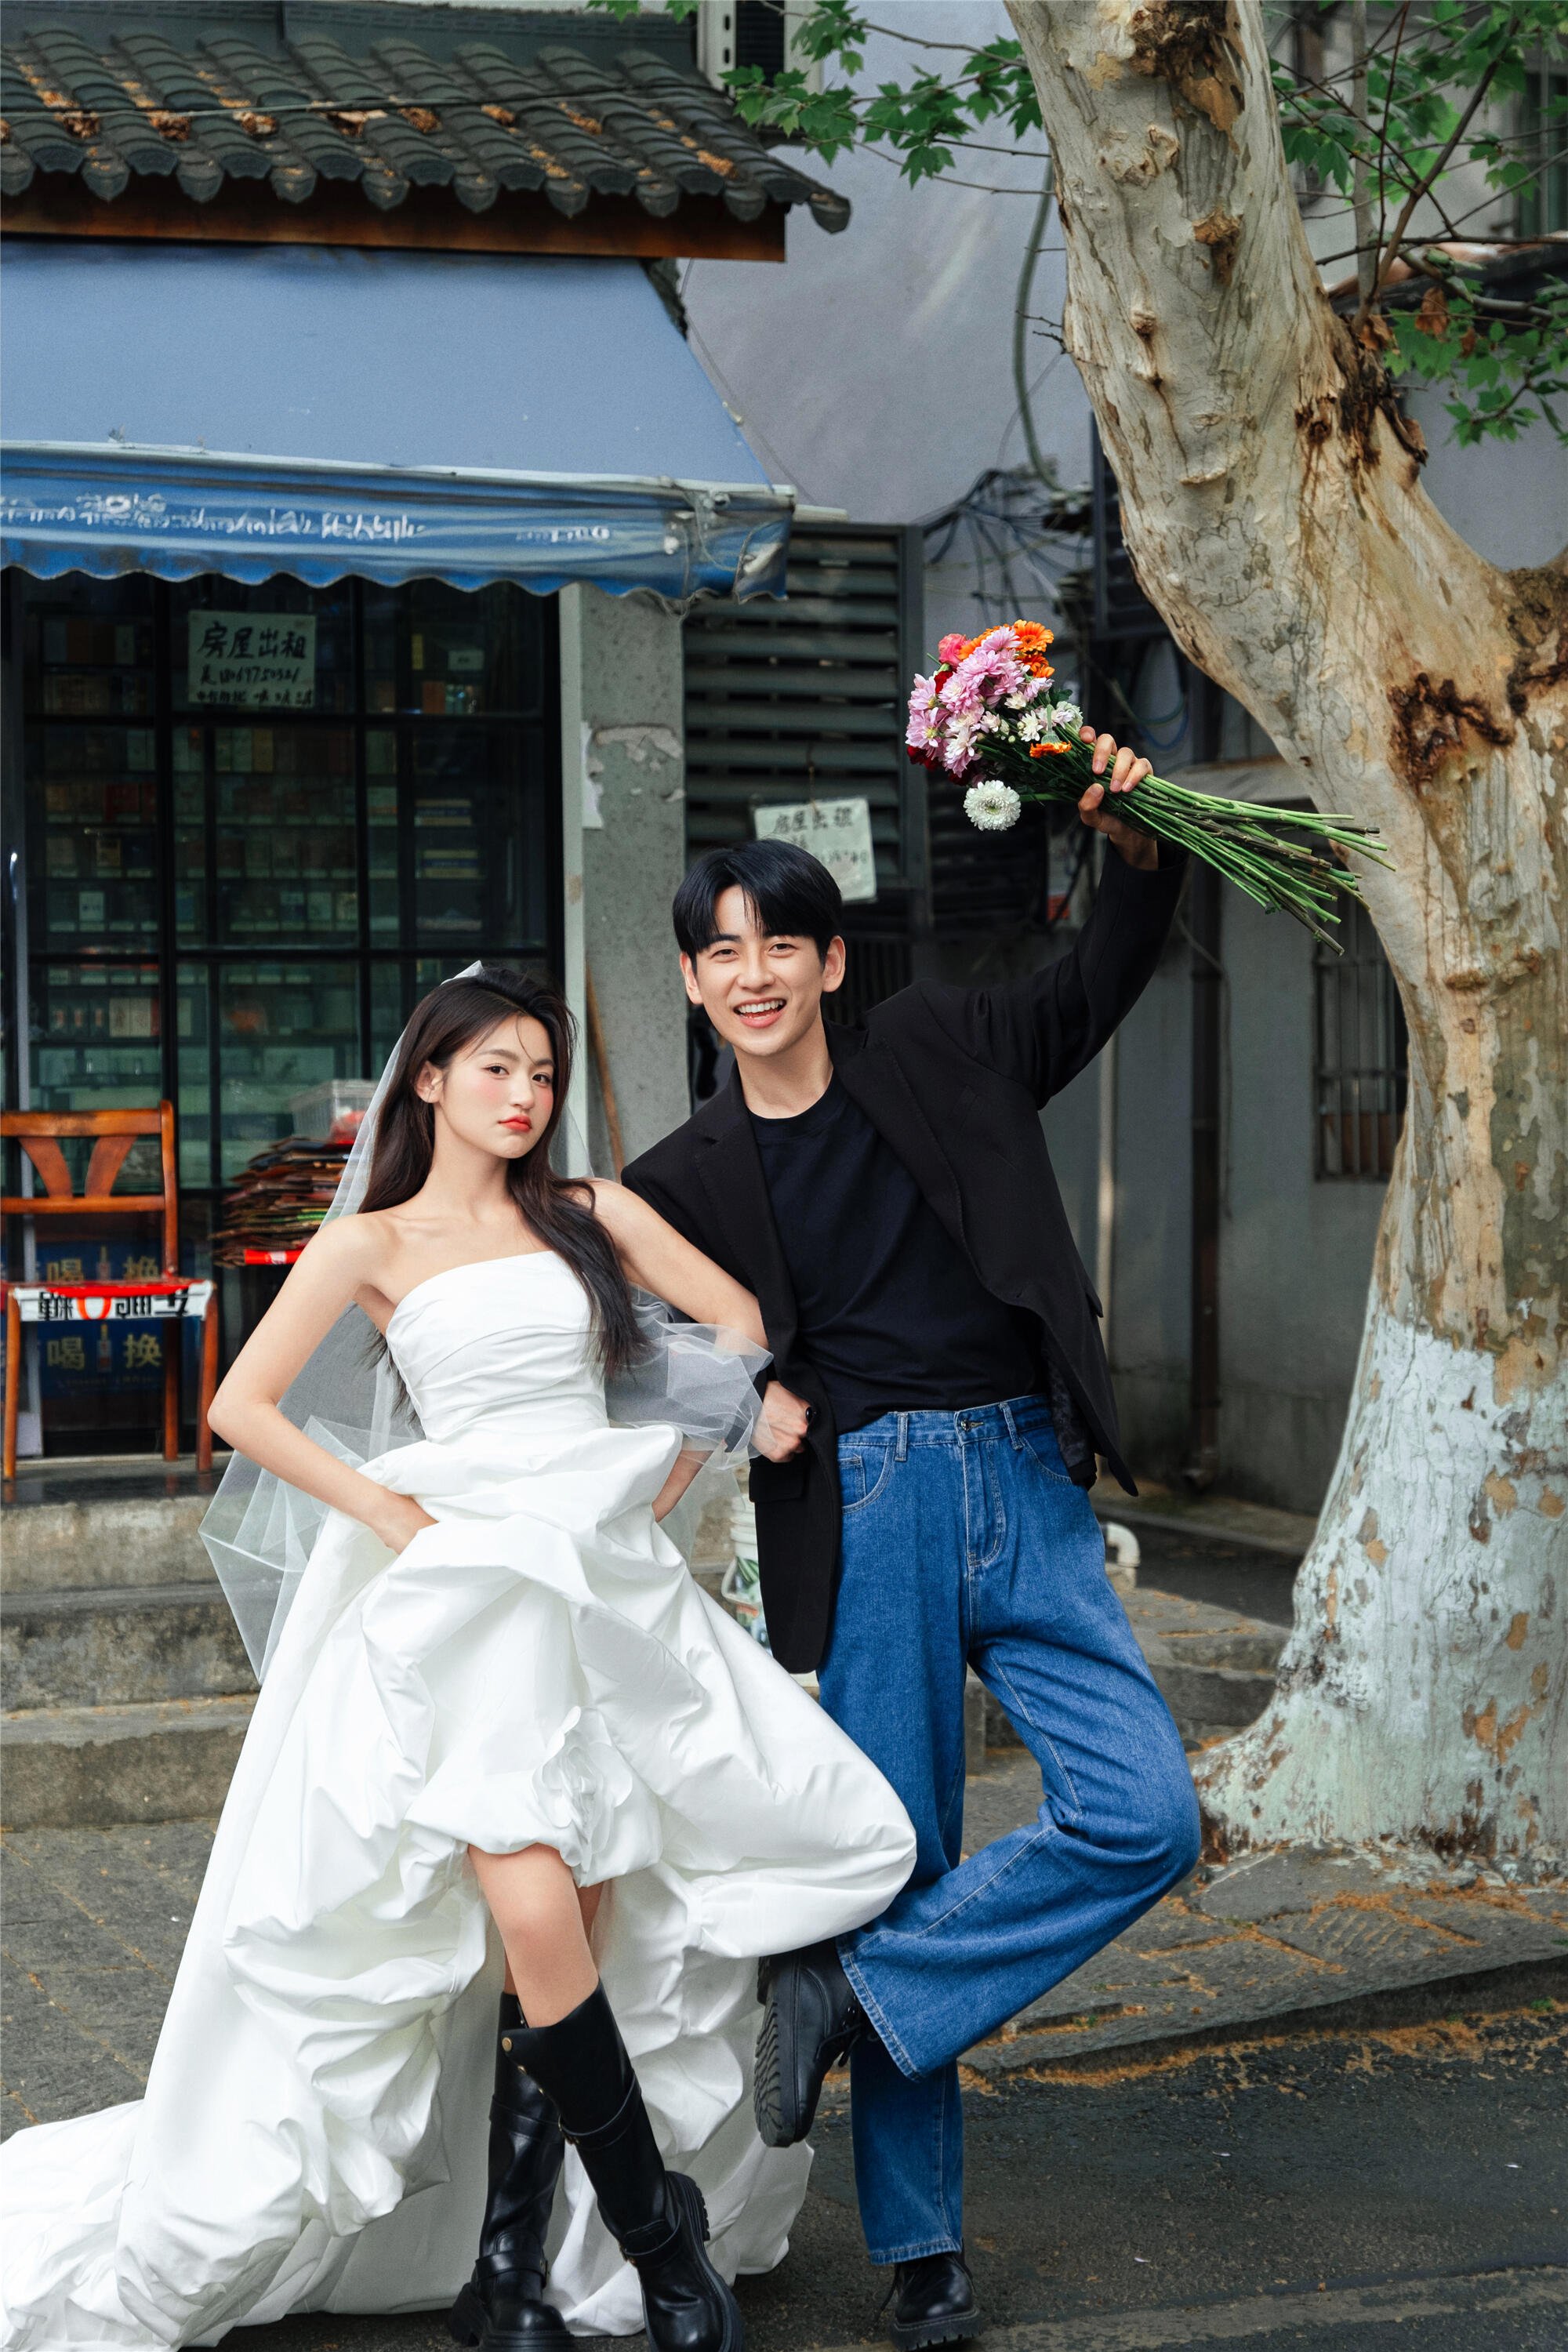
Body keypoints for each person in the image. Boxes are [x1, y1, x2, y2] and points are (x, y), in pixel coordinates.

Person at [0, 966, 916, 2352]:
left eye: (543, 1074)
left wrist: (662, 1480)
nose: (526, 1094)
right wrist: (389, 1514)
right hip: (466, 1584)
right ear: (428, 1080)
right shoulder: (371, 1242)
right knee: (532, 1895)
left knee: (585, 1909)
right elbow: (243, 1404)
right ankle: (661, 2248)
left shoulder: (589, 1212)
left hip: (597, 1577)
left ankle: (508, 2274)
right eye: (497, 1068)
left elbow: (737, 1325)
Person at [622, 735, 1204, 2350]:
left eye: (779, 944)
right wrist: (743, 1398)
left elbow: (1093, 984)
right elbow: (609, 1333)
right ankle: (921, 2249)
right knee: (902, 1858)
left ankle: (855, 1995)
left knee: (1147, 1815)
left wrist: (1139, 842)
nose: (752, 973)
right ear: (691, 982)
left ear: (830, 962)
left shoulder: (943, 1041)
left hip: (1026, 1479)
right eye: (721, 950)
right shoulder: (682, 1176)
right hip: (867, 1504)